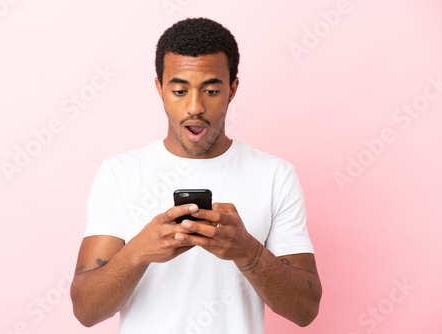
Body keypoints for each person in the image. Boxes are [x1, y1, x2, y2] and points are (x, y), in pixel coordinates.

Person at [70, 17, 322, 333]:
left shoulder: (275, 175)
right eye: (179, 90)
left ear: (232, 89)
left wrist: (248, 251)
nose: (194, 107)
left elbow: (305, 310)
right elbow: (85, 310)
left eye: (211, 90)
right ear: (160, 89)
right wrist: (138, 251)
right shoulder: (119, 173)